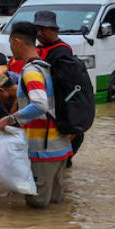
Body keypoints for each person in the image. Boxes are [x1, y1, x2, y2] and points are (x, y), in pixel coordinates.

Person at [0, 21, 73, 208]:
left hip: (43, 151)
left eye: (10, 43)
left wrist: (11, 119)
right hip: (60, 147)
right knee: (55, 206)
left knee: (37, 206)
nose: (11, 48)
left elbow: (40, 104)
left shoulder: (31, 72)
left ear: (18, 42)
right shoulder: (45, 67)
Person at [32, 10, 84, 165]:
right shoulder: (38, 49)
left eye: (43, 29)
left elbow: (65, 85)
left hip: (57, 106)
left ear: (54, 30)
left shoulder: (62, 51)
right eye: (37, 29)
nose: (39, 33)